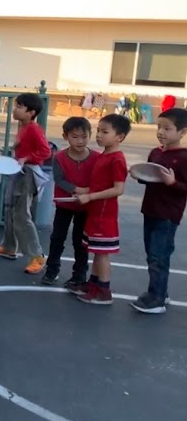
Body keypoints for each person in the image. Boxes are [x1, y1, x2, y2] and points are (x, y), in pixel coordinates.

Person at [130, 108, 187, 314]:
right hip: (150, 210)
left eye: (167, 128)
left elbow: (183, 188)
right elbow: (152, 178)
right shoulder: (156, 152)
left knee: (158, 257)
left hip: (168, 215)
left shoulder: (183, 157)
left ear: (182, 132)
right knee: (152, 255)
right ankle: (160, 291)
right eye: (159, 127)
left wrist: (173, 183)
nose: (161, 132)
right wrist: (139, 175)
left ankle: (157, 299)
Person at [73, 114, 131, 305]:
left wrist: (89, 196)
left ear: (119, 137)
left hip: (104, 215)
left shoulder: (117, 159)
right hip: (95, 213)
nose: (99, 135)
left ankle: (103, 291)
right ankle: (94, 284)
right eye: (98, 131)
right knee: (96, 251)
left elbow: (118, 189)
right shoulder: (103, 156)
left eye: (105, 132)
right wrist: (82, 191)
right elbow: (99, 185)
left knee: (102, 254)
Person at [0, 93, 51, 275]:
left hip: (27, 175)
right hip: (18, 172)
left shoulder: (34, 129)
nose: (15, 109)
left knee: (21, 215)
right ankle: (9, 246)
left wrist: (27, 158)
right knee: (10, 208)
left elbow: (45, 151)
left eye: (19, 106)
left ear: (31, 112)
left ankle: (37, 255)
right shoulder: (24, 126)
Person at [40, 117, 98, 287]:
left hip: (85, 206)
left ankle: (79, 275)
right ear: (65, 137)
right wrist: (79, 190)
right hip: (64, 204)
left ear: (90, 135)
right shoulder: (59, 157)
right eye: (75, 137)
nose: (80, 141)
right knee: (57, 237)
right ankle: (52, 270)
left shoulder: (96, 157)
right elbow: (59, 179)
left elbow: (101, 180)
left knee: (80, 242)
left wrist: (89, 192)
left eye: (84, 136)